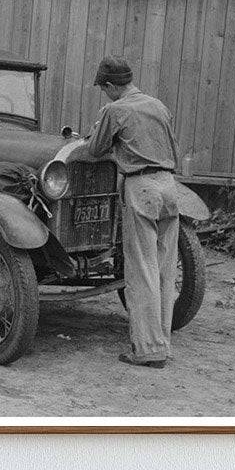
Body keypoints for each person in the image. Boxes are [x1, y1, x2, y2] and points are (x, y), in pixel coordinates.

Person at [73, 56, 182, 368]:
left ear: (110, 86)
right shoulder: (158, 106)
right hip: (169, 187)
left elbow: (93, 150)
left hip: (142, 188)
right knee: (164, 270)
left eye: (103, 88)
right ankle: (163, 345)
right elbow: (172, 149)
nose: (104, 94)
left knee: (141, 271)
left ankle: (148, 351)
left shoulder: (115, 110)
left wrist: (104, 140)